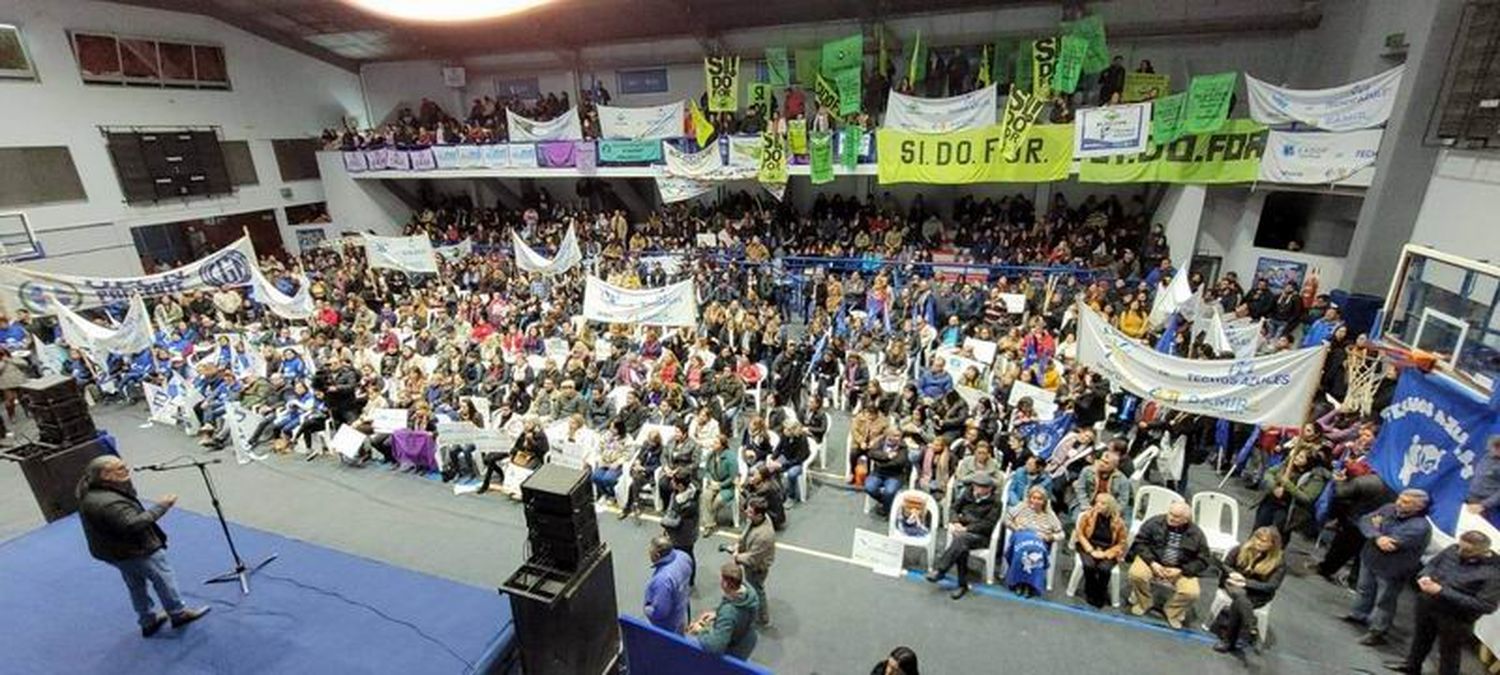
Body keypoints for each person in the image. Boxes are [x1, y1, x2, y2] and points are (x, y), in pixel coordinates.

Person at [76, 456, 210, 636]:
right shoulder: (110, 502)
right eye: (120, 468)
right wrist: (162, 506)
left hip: (114, 552)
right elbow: (134, 525)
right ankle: (178, 613)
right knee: (163, 579)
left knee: (135, 584)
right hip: (136, 550)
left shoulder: (92, 493)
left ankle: (147, 620)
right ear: (105, 475)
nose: (127, 470)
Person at [1384, 531, 1500, 675]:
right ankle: (1412, 665)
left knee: (1449, 652)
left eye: (1467, 550)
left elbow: (1486, 605)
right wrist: (1425, 575)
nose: (1460, 552)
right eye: (1460, 546)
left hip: (1456, 617)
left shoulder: (1494, 573)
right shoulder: (1453, 549)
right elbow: (1432, 564)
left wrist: (1441, 591)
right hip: (1429, 603)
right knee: (1420, 638)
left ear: (1483, 550)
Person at [1344, 488, 1433, 646]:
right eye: (1400, 498)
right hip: (1370, 558)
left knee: (1384, 601)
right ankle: (1359, 614)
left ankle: (1378, 631)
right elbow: (1365, 520)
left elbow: (1392, 542)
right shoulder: (1389, 508)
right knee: (1364, 589)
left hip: (1392, 569)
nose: (1398, 503)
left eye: (1405, 502)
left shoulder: (1420, 526)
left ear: (1419, 507)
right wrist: (1377, 535)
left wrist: (1378, 528)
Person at [1128, 502, 1210, 629]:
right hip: (1153, 561)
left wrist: (1181, 570)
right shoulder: (1154, 523)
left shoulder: (1197, 534)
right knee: (1136, 574)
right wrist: (1152, 562)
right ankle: (1144, 602)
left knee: (1191, 592)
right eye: (1170, 513)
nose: (1171, 518)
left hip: (1180, 569)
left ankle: (1172, 611)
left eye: (1176, 517)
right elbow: (1140, 543)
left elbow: (1203, 559)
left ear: (1186, 519)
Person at [924, 473, 1002, 599]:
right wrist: (955, 522)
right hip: (962, 530)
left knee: (961, 540)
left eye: (980, 487)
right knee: (962, 546)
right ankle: (962, 585)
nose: (976, 489)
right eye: (975, 486)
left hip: (980, 535)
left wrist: (966, 528)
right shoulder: (968, 493)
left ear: (989, 488)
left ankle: (941, 570)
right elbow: (953, 508)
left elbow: (988, 524)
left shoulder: (996, 503)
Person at [1209, 527, 1286, 653]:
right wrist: (1233, 574)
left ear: (1273, 544)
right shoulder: (1240, 549)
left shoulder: (1278, 561)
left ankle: (1229, 640)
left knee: (1240, 600)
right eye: (1257, 538)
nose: (1259, 542)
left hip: (1258, 593)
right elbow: (1225, 565)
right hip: (1233, 585)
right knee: (1240, 596)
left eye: (1264, 541)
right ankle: (1248, 627)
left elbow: (1271, 586)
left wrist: (1245, 582)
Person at [688, 562, 759, 659]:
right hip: (745, 637)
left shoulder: (728, 612)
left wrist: (701, 631)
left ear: (725, 584)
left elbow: (715, 647)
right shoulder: (750, 593)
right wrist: (717, 613)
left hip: (733, 648)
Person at [1003, 485, 1064, 597]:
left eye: (1039, 499)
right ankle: (1018, 582)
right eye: (1033, 498)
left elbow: (1061, 534)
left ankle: (1029, 585)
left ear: (1044, 501)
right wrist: (1015, 527)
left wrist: (1049, 537)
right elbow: (1006, 519)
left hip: (1040, 541)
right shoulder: (1021, 507)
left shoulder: (1049, 515)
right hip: (1022, 536)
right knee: (1023, 551)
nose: (1035, 501)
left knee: (1036, 552)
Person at [1073, 492, 1128, 609]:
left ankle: (1100, 592)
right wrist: (1091, 550)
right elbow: (1080, 534)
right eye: (1097, 502)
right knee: (1089, 565)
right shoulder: (1087, 516)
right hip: (1088, 545)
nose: (1098, 505)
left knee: (1104, 569)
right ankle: (1090, 590)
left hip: (1108, 549)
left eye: (1103, 503)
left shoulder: (1119, 522)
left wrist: (1106, 554)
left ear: (1110, 506)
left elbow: (1121, 542)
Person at [730, 497, 776, 627]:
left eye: (750, 512)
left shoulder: (764, 536)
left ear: (759, 515)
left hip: (757, 568)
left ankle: (763, 618)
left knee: (757, 589)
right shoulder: (758, 519)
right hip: (752, 559)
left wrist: (736, 557)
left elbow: (752, 558)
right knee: (753, 587)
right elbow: (746, 533)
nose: (747, 513)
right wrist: (738, 545)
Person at [644, 536, 693, 634]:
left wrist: (647, 609)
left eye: (650, 552)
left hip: (667, 626)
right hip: (681, 611)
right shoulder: (684, 556)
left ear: (657, 555)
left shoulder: (662, 580)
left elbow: (660, 612)